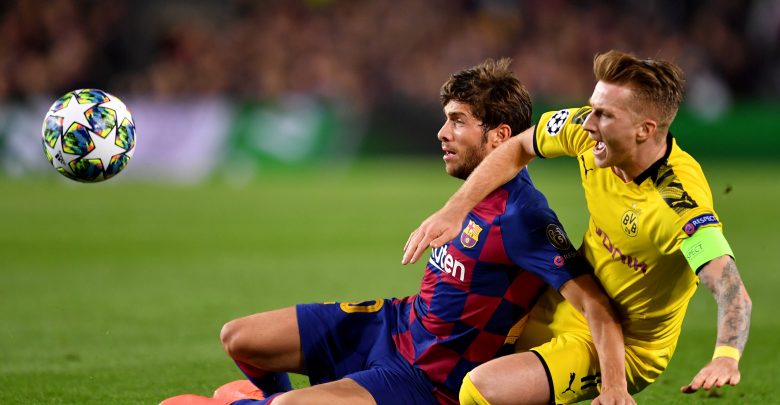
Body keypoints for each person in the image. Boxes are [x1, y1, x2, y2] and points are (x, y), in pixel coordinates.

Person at [160, 58, 633, 405]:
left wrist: (614, 386)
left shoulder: (524, 217)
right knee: (239, 338)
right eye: (445, 119)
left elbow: (596, 306)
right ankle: (260, 397)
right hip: (394, 325)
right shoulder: (471, 193)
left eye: (457, 121)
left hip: (426, 380)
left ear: (499, 136)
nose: (442, 133)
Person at [402, 50, 752, 404]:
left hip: (627, 347)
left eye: (605, 115)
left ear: (644, 130)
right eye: (592, 108)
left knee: (482, 389)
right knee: (454, 361)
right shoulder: (587, 134)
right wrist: (455, 209)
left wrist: (726, 356)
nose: (588, 123)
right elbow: (517, 147)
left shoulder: (677, 204)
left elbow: (730, 287)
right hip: (564, 307)